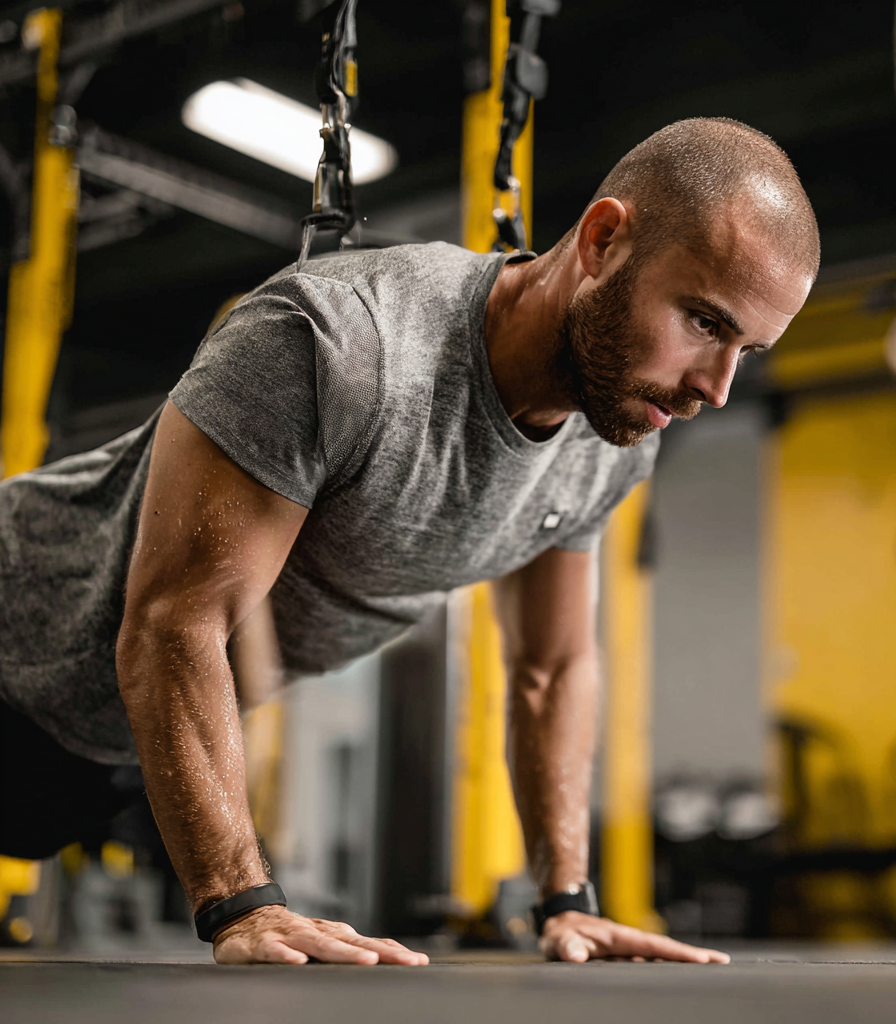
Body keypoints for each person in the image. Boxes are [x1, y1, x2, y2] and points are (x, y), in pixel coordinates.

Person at [0, 117, 818, 964]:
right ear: (605, 240)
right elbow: (175, 622)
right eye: (705, 323)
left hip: (113, 744)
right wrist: (243, 904)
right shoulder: (338, 341)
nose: (717, 390)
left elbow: (552, 669)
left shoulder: (606, 445)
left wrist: (565, 898)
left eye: (747, 350)